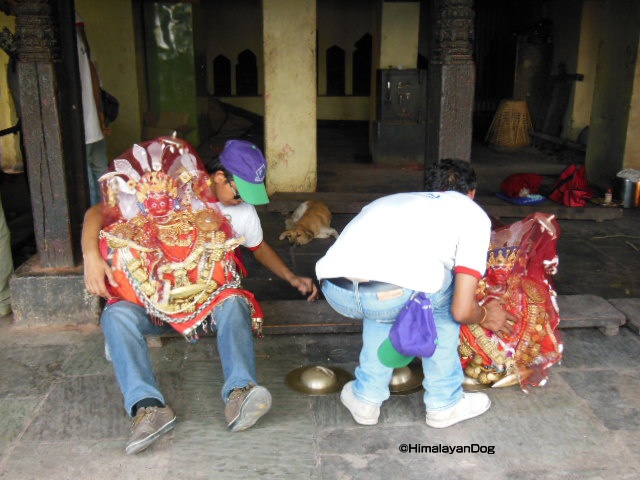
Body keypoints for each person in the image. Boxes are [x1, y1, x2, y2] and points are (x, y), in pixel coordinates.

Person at [82, 138, 318, 455]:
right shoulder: (168, 193)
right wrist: (91, 258)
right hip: (156, 306)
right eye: (238, 192)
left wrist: (291, 277)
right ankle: (148, 407)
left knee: (234, 300)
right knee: (116, 316)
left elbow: (259, 248)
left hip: (206, 308)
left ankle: (239, 393)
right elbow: (96, 213)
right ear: (220, 177)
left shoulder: (242, 214)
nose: (241, 201)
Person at [316, 159, 517, 428]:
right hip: (391, 292)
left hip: (335, 290)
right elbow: (461, 309)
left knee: (385, 305)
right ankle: (445, 403)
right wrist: (485, 314)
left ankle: (366, 398)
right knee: (444, 296)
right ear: (472, 193)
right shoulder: (472, 212)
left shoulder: (390, 200)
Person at [76, 12, 111, 206]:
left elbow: (95, 85)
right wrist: (100, 118)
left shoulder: (76, 50)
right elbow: (97, 85)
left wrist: (99, 118)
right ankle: (106, 211)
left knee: (89, 172)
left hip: (86, 124)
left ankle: (96, 215)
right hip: (93, 123)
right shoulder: (85, 51)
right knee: (99, 168)